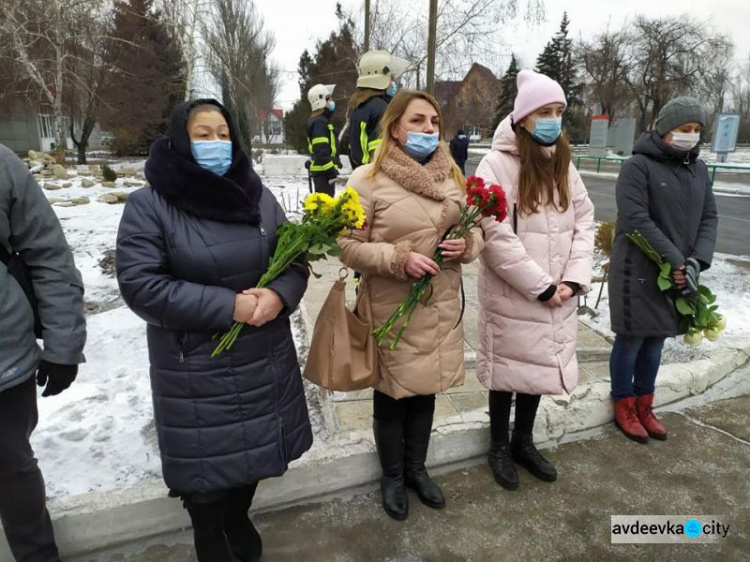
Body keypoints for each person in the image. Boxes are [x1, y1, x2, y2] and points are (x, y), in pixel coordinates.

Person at [116, 99, 312, 562]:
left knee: (254, 458)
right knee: (206, 472)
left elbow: (294, 259)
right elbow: (142, 285)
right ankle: (209, 529)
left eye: (223, 134)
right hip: (197, 366)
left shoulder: (257, 197)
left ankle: (237, 514)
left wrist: (279, 295)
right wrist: (231, 306)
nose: (216, 143)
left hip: (262, 354)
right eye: (203, 134)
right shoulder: (151, 205)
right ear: (180, 140)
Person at [339, 90, 484, 521]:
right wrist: (398, 258)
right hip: (390, 307)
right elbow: (346, 245)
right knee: (391, 395)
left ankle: (418, 470)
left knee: (425, 392)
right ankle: (392, 476)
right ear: (396, 127)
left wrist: (468, 246)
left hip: (439, 305)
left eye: (435, 122)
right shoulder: (367, 179)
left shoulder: (452, 178)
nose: (428, 130)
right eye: (418, 121)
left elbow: (476, 233)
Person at [475, 70, 595, 490]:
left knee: (537, 368)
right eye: (545, 111)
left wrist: (574, 280)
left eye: (559, 111)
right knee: (508, 371)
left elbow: (585, 220)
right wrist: (541, 284)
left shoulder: (561, 162)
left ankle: (523, 441)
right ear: (523, 117)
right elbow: (493, 233)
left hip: (559, 290)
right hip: (516, 292)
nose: (554, 119)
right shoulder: (496, 165)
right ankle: (497, 445)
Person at [608, 97, 718, 443]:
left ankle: (645, 403)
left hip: (678, 271)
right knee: (632, 339)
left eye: (697, 130)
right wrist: (676, 260)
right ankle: (623, 403)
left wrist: (697, 261)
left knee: (656, 341)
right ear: (665, 128)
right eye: (685, 129)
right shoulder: (637, 166)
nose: (691, 135)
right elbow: (636, 218)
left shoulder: (698, 170)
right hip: (638, 269)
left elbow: (709, 217)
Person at [0, 144, 86, 562]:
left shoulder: (1, 164)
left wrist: (64, 345)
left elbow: (48, 253)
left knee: (12, 475)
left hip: (4, 364)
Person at [347, 50, 411, 170]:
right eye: (391, 78)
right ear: (381, 79)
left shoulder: (359, 106)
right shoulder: (381, 109)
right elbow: (382, 152)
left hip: (362, 172)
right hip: (376, 174)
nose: (393, 83)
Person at [306, 83, 341, 197]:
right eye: (328, 99)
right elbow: (321, 150)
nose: (331, 102)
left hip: (323, 173)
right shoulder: (320, 122)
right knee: (326, 208)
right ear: (320, 101)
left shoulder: (321, 121)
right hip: (323, 174)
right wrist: (331, 171)